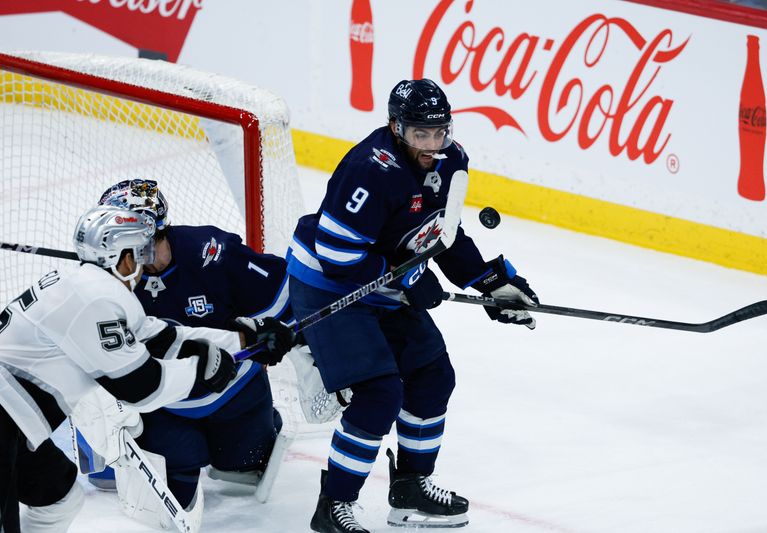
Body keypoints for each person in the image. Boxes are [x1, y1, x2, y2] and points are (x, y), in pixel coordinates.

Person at [286, 78, 539, 532]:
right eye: (421, 133)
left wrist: (491, 283)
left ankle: (410, 490)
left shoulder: (452, 160)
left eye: (440, 131)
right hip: (327, 286)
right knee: (379, 394)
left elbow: (443, 234)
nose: (433, 143)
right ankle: (333, 507)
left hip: (383, 282)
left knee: (432, 373)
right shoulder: (371, 169)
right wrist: (410, 275)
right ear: (396, 128)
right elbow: (338, 256)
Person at [0, 205, 286, 532]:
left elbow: (161, 336)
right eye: (140, 253)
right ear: (122, 259)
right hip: (6, 419)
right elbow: (141, 388)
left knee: (58, 498)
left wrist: (245, 338)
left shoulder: (86, 285)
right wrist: (201, 370)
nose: (144, 264)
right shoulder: (98, 298)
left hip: (18, 423)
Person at [92, 179, 321, 510]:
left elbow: (285, 293)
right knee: (176, 470)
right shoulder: (105, 277)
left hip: (234, 393)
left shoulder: (212, 252)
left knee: (242, 465)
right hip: (162, 403)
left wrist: (285, 337)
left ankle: (262, 423)